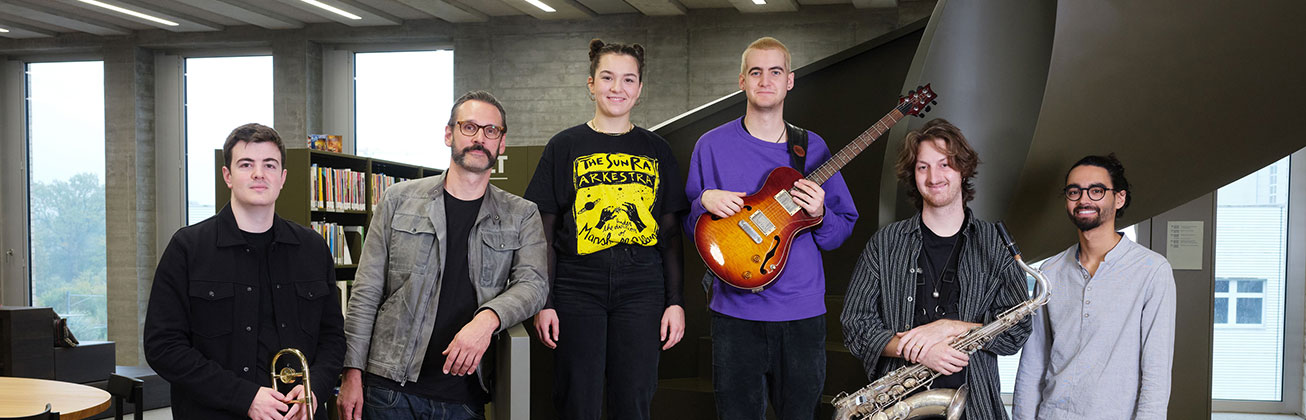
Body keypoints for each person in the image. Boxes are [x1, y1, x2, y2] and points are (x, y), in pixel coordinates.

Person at [335, 91, 548, 420]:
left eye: (491, 130)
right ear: (449, 134)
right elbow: (366, 291)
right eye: (469, 127)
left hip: (463, 396)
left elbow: (533, 284)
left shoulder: (521, 214)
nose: (479, 138)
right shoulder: (398, 199)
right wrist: (351, 372)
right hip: (388, 389)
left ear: (502, 143)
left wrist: (486, 320)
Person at [684, 36, 858, 419]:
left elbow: (840, 230)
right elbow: (691, 226)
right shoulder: (710, 146)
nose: (765, 80)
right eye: (756, 72)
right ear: (742, 80)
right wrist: (703, 202)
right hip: (734, 314)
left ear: (790, 81)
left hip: (801, 315)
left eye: (775, 71)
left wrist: (822, 213)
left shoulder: (812, 147)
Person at [524, 38, 688, 420]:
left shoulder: (657, 149)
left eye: (629, 80)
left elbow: (669, 233)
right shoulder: (564, 145)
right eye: (608, 77)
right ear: (591, 83)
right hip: (577, 283)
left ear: (640, 89)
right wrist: (544, 301)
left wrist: (675, 301)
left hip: (642, 285)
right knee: (577, 398)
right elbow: (543, 231)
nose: (618, 88)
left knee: (634, 397)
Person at [145, 123, 344, 420]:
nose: (258, 174)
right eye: (246, 164)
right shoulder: (187, 248)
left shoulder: (313, 248)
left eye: (269, 165)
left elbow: (333, 338)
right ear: (227, 175)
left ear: (283, 178)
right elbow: (163, 347)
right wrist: (244, 397)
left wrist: (315, 390)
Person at [841, 119, 1030, 420]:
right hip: (899, 407)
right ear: (912, 175)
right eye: (923, 167)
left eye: (945, 164)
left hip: (975, 406)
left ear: (963, 170)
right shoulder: (886, 243)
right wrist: (913, 349)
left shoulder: (996, 244)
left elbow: (1016, 331)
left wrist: (951, 327)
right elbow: (855, 326)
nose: (934, 177)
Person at [1013, 154, 1175, 420]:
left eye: (1096, 191)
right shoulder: (1050, 271)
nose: (1083, 199)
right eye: (1074, 191)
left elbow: (1156, 371)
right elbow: (1033, 362)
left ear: (1119, 198)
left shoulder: (1152, 270)